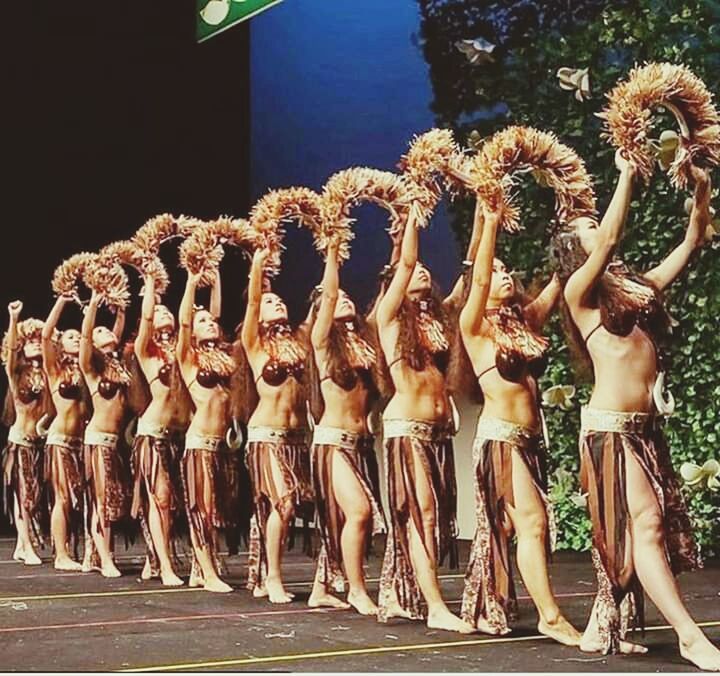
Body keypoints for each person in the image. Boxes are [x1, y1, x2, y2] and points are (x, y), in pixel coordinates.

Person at [552, 149, 720, 670]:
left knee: (640, 533)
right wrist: (625, 175)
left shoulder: (630, 292)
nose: (595, 228)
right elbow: (607, 240)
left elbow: (692, 241)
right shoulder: (579, 293)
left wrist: (700, 188)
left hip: (645, 431)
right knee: (644, 526)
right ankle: (691, 638)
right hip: (612, 432)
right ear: (572, 250)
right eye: (585, 227)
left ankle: (602, 624)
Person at [455, 200, 580, 645]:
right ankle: (550, 616)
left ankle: (494, 601)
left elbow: (560, 284)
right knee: (532, 523)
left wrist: (571, 230)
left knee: (518, 527)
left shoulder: (524, 322)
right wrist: (489, 222)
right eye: (498, 270)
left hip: (530, 441)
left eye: (511, 270)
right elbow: (483, 274)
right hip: (501, 440)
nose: (505, 275)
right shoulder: (474, 327)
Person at [373, 202, 475, 633]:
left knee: (432, 517)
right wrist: (413, 215)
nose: (421, 272)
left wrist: (485, 217)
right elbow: (408, 260)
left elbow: (470, 281)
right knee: (424, 515)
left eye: (425, 271)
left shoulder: (436, 319)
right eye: (413, 272)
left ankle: (407, 592)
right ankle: (434, 605)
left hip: (436, 433)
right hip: (407, 430)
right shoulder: (389, 317)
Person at [306, 241, 385, 614]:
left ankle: (321, 587)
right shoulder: (322, 343)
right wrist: (334, 252)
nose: (345, 300)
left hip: (361, 444)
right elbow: (331, 290)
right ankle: (356, 589)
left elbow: (391, 291)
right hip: (332, 443)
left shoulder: (366, 342)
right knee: (359, 512)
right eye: (337, 300)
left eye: (349, 298)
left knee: (341, 517)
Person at [240, 247, 314, 604]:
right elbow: (253, 304)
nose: (277, 304)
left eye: (281, 301)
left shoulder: (300, 343)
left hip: (298, 438)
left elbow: (325, 307)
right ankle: (273, 577)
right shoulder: (254, 345)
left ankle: (268, 570)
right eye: (271, 303)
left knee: (289, 509)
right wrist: (257, 267)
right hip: (266, 436)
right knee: (282, 504)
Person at [176, 268, 239, 593]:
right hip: (200, 444)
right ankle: (207, 570)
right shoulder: (188, 358)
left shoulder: (224, 357)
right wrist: (190, 280)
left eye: (212, 322)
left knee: (217, 509)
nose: (210, 323)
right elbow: (187, 322)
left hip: (222, 447)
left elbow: (214, 314)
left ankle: (202, 569)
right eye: (203, 323)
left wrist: (215, 279)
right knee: (204, 507)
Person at [79, 291, 130, 577]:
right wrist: (94, 307)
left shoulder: (118, 364)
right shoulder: (91, 368)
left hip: (115, 443)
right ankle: (105, 557)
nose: (105, 331)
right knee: (101, 500)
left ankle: (99, 552)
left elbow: (118, 329)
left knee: (111, 501)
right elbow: (87, 338)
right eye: (100, 330)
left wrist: (120, 310)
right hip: (97, 440)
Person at [42, 295, 89, 570]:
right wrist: (61, 301)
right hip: (60, 441)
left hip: (81, 442)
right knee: (62, 497)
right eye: (69, 336)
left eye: (77, 336)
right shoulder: (55, 369)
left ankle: (80, 550)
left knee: (78, 500)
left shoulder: (85, 367)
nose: (75, 339)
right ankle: (60, 554)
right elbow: (47, 335)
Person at [2, 303, 49, 565]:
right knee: (24, 496)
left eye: (37, 340)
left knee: (35, 497)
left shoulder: (49, 373)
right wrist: (13, 318)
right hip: (20, 444)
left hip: (39, 444)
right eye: (28, 341)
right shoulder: (16, 373)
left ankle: (21, 545)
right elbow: (9, 352)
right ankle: (27, 545)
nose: (34, 344)